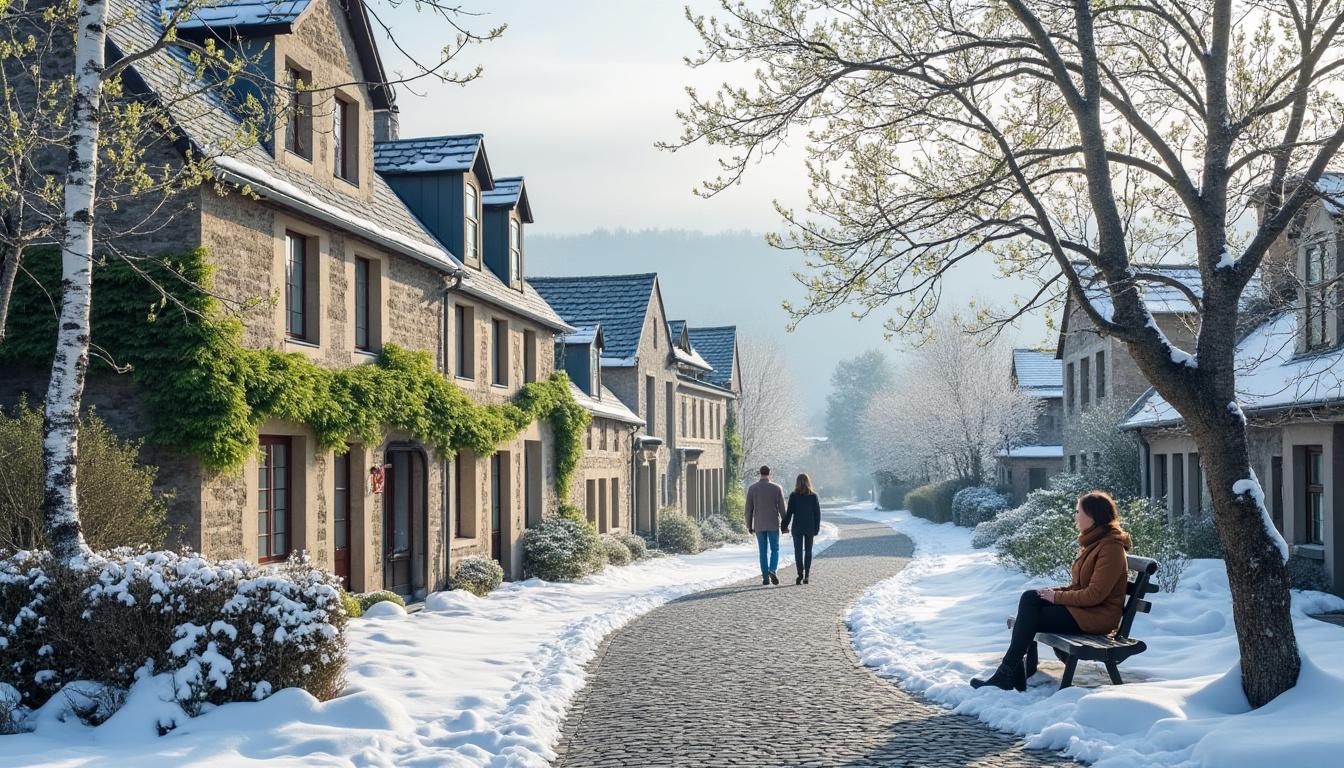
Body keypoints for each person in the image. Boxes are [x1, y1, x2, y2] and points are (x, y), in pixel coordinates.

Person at [971, 491, 1133, 692]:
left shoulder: (1111, 548)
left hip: (1097, 618)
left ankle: (1009, 672)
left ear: (1092, 516)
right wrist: (1051, 592)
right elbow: (1079, 586)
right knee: (1031, 598)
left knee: (1030, 616)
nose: (1075, 516)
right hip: (1085, 613)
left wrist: (1056, 597)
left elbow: (1094, 594)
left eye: (1078, 512)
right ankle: (1010, 671)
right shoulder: (1095, 543)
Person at [745, 465, 787, 585]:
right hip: (773, 523)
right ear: (770, 473)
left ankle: (765, 577)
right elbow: (782, 509)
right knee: (775, 549)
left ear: (760, 473)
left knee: (763, 551)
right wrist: (784, 524)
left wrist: (749, 525)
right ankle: (772, 570)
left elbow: (748, 509)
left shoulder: (752, 488)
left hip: (759, 524)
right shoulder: (777, 488)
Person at [782, 473, 821, 585]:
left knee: (798, 551)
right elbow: (817, 514)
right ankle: (807, 575)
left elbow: (789, 513)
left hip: (797, 527)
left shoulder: (794, 496)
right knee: (808, 551)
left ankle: (800, 574)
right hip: (809, 527)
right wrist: (816, 528)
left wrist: (784, 525)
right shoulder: (813, 496)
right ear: (809, 482)